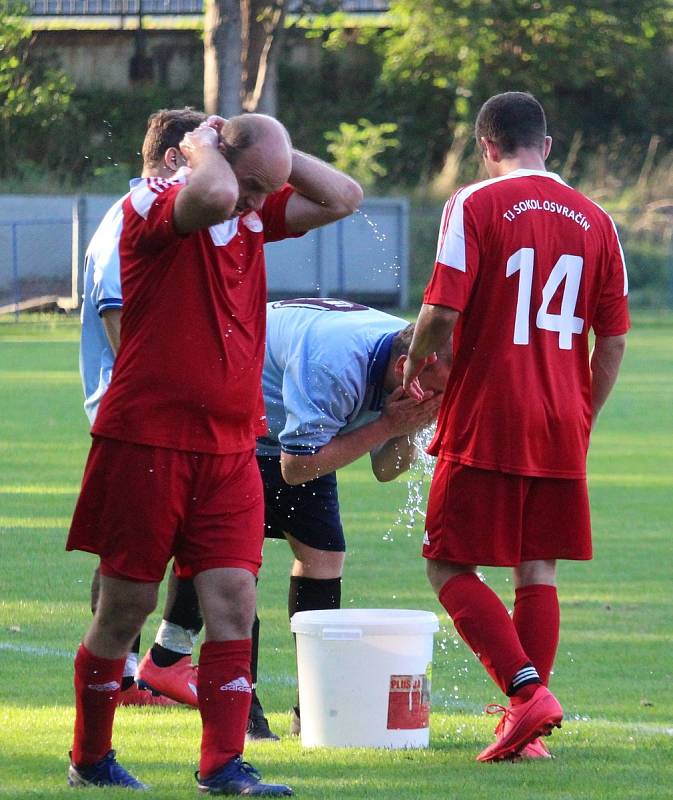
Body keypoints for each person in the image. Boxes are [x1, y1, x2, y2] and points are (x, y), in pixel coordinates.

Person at [65, 109, 363, 794]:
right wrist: (208, 147)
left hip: (230, 446)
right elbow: (219, 194)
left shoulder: (244, 206)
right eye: (256, 184)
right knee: (127, 607)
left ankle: (223, 765)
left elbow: (342, 197)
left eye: (268, 188)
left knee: (232, 597)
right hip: (148, 440)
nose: (261, 202)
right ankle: (89, 758)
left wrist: (267, 148)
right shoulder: (151, 202)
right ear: (187, 156)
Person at [402, 91, 629, 763]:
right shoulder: (596, 219)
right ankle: (526, 727)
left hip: (488, 412)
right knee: (538, 567)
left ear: (484, 147)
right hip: (562, 416)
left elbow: (442, 309)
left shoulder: (473, 203)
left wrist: (416, 363)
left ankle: (525, 692)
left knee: (446, 562)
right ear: (547, 145)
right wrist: (581, 412)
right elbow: (611, 340)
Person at [79, 107, 207, 709]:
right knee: (132, 552)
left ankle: (144, 667)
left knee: (187, 541)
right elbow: (117, 318)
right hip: (139, 414)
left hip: (171, 412)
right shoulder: (125, 220)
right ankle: (126, 671)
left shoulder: (170, 216)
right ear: (176, 158)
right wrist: (161, 395)